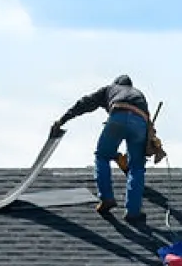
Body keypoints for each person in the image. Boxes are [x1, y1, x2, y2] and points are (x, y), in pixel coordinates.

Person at [50, 75, 165, 224]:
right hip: (140, 122)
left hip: (118, 116)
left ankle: (106, 198)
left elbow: (84, 103)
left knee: (102, 156)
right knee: (137, 167)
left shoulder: (110, 89)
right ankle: (133, 212)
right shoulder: (138, 95)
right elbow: (148, 125)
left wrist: (62, 120)